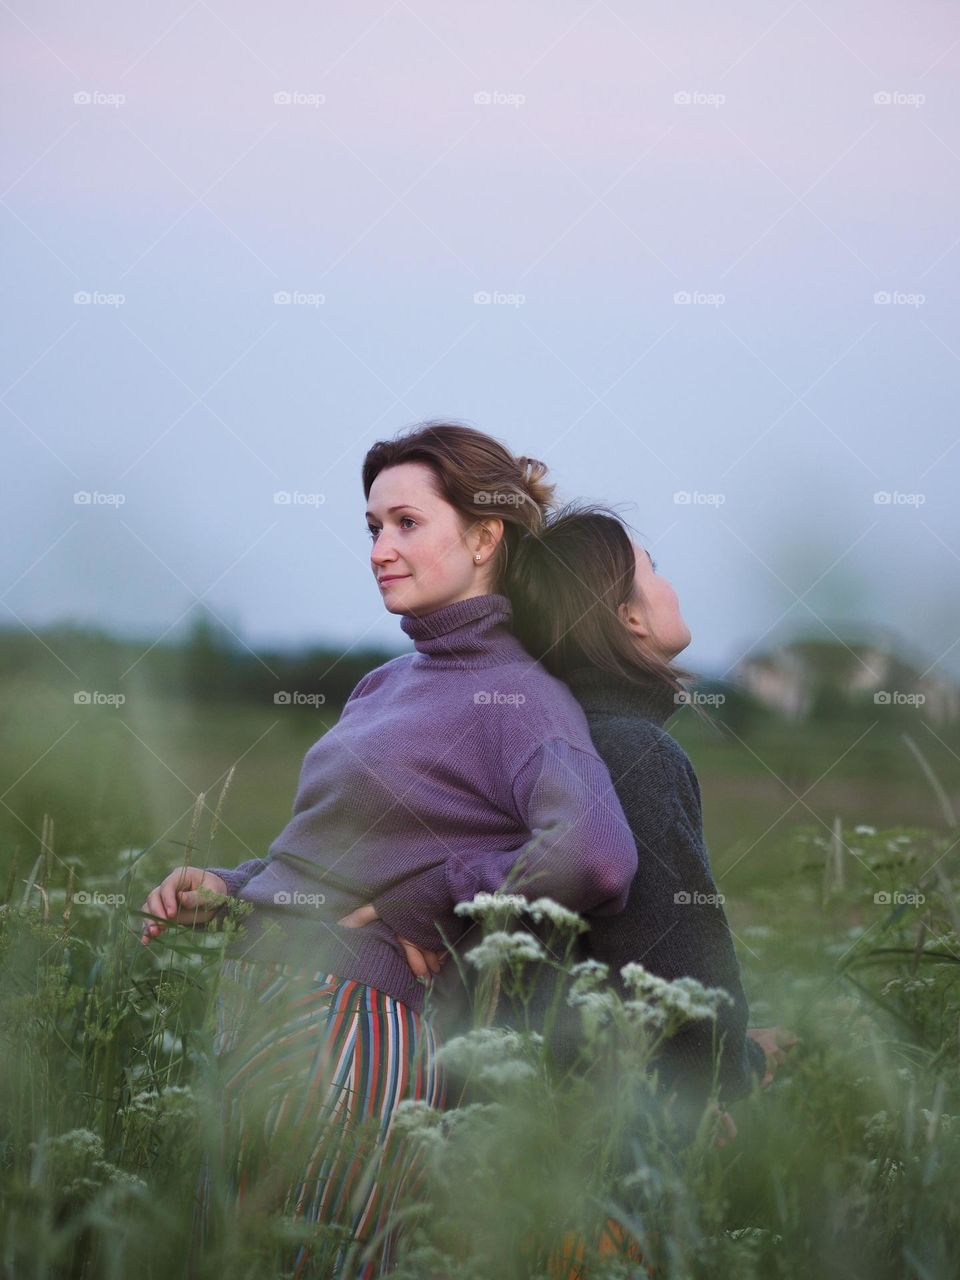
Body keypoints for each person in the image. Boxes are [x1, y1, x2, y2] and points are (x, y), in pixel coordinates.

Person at [138, 424, 640, 1278]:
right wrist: (227, 888)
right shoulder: (387, 682)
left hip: (353, 1026)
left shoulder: (518, 696)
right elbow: (337, 862)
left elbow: (597, 854)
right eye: (372, 527)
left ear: (486, 537)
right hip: (259, 1010)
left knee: (317, 1264)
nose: (380, 549)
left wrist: (438, 897)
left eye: (407, 523)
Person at [434, 502, 798, 1158]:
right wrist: (732, 1070)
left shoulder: (550, 745)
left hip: (511, 1118)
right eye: (653, 570)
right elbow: (672, 961)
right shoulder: (634, 754)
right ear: (627, 617)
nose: (670, 585)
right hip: (594, 1139)